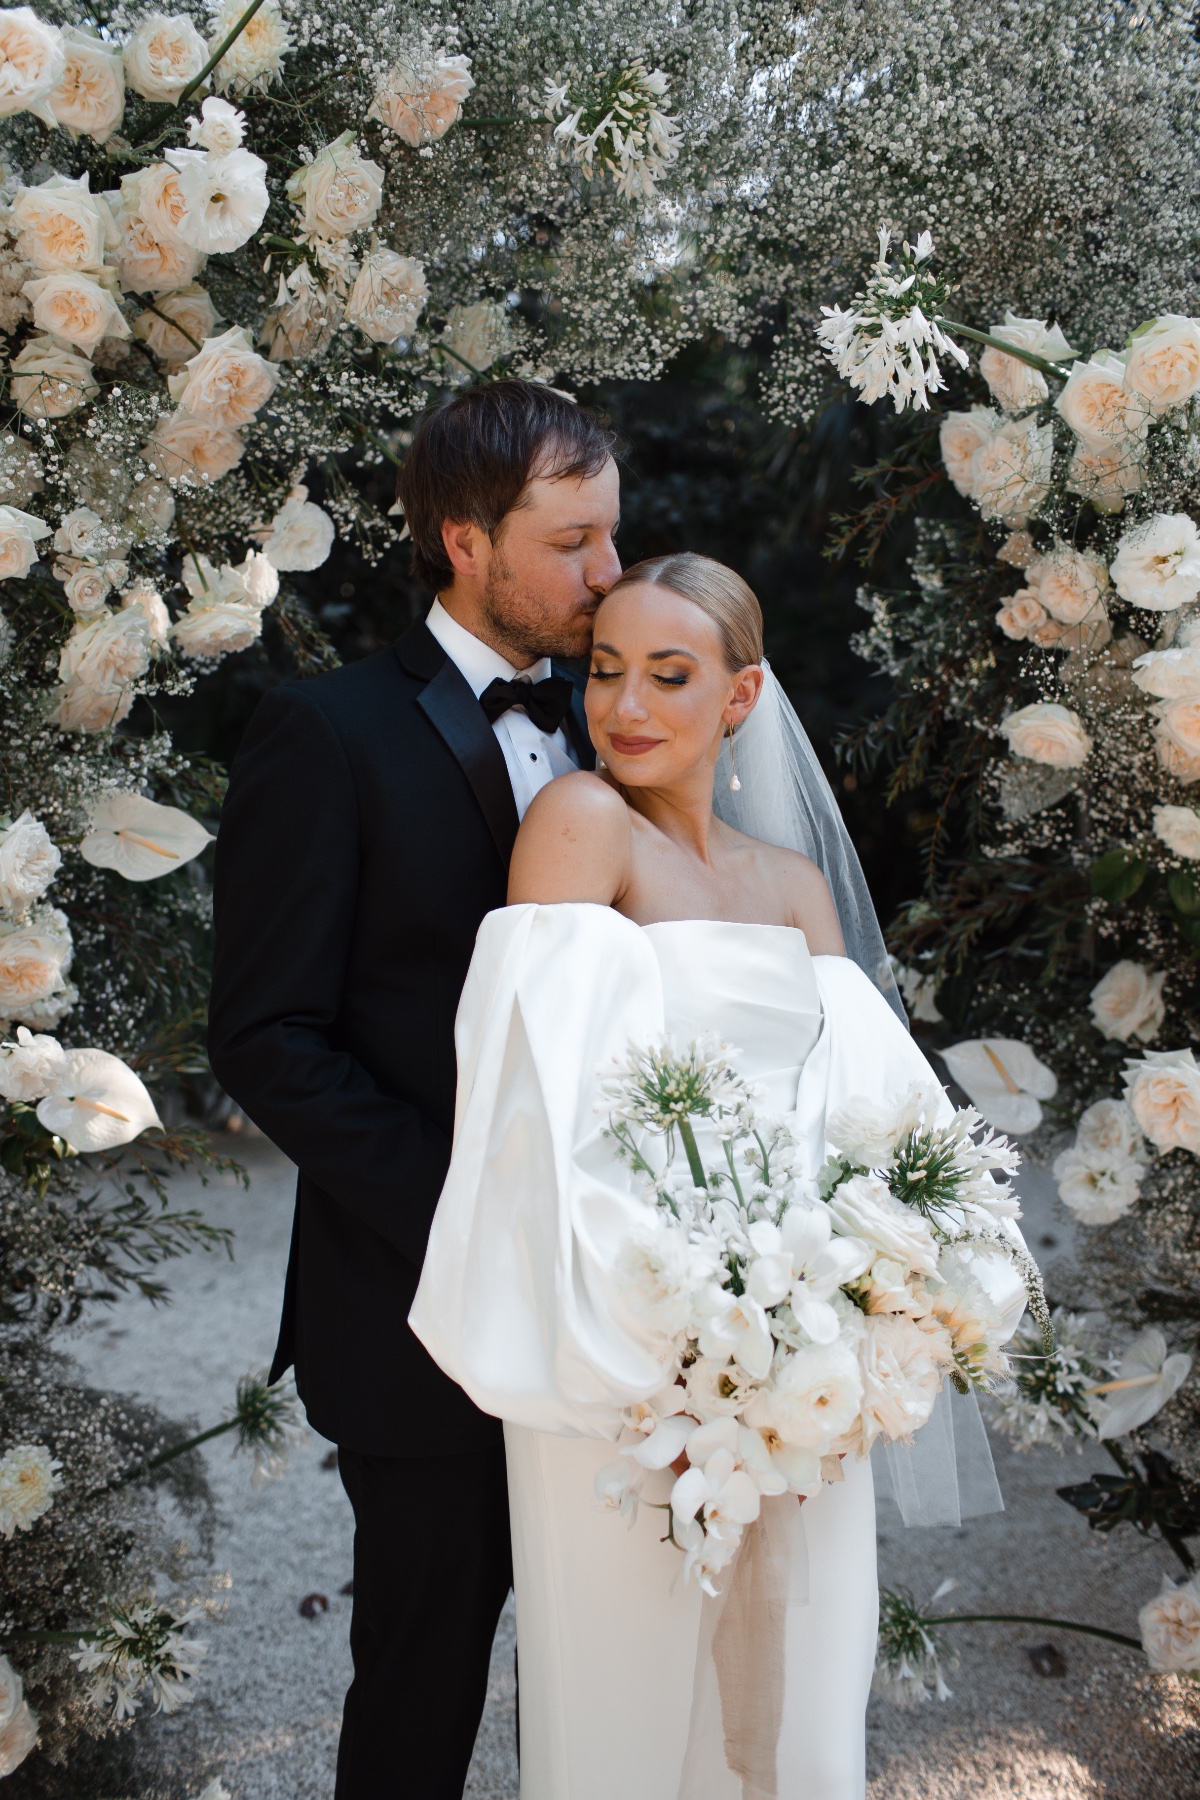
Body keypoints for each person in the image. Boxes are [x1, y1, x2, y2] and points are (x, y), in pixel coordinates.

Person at [410, 553, 1028, 1799]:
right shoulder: (585, 827)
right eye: (604, 670)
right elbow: (539, 1103)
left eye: (669, 675)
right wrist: (681, 1341)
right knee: (627, 1699)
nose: (624, 705)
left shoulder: (793, 887)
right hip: (630, 1354)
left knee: (805, 1684)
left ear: (740, 699)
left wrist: (859, 1307)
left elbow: (862, 1119)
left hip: (805, 1353)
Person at [206, 380, 622, 1799]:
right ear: (463, 539)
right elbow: (267, 1036)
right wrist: (473, 1207)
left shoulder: (623, 719)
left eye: (611, 537)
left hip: (618, 1308)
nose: (608, 575)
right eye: (573, 543)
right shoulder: (324, 734)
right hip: (419, 1307)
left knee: (606, 1676)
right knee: (425, 1679)